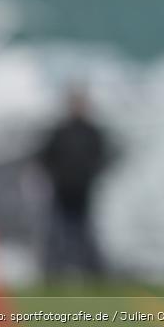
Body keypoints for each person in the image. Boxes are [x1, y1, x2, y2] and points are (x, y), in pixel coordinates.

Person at [37, 87, 110, 279]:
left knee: (85, 233)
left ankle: (94, 274)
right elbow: (44, 157)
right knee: (57, 233)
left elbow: (102, 157)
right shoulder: (60, 132)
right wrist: (56, 176)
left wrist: (90, 174)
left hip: (84, 191)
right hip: (62, 190)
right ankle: (53, 275)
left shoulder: (92, 132)